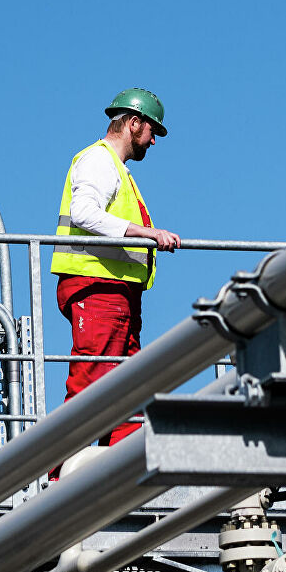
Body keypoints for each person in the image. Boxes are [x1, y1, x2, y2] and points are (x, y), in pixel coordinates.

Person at [51, 88, 181, 444]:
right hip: (98, 287)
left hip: (118, 292)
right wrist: (146, 233)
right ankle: (61, 468)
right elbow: (84, 213)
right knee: (94, 381)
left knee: (126, 387)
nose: (153, 141)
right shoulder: (99, 160)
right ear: (134, 123)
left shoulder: (116, 168)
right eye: (152, 131)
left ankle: (125, 467)